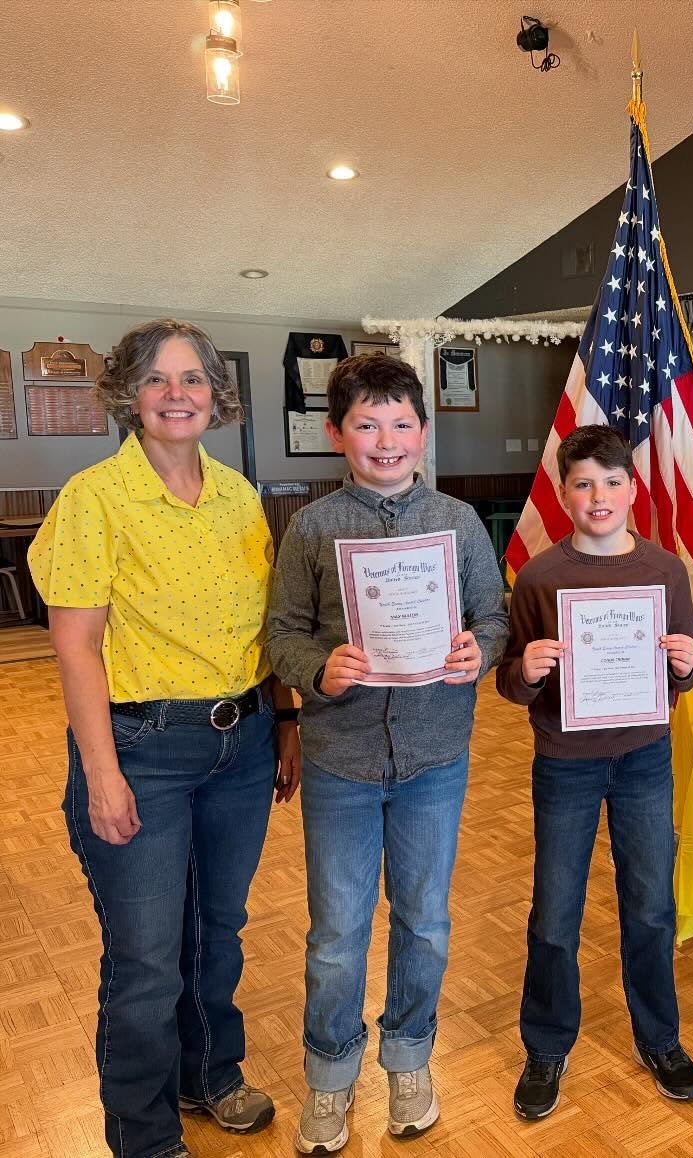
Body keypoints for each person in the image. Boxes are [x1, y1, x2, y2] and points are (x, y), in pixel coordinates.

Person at [30, 318, 300, 1158]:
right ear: (130, 396)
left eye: (192, 379)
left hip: (244, 742)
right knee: (146, 957)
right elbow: (75, 646)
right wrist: (101, 775)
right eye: (157, 379)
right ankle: (143, 1136)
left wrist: (284, 717)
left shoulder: (238, 497)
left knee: (217, 928)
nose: (176, 394)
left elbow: (267, 623)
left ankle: (210, 1075)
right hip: (143, 748)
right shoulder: (94, 498)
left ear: (215, 396)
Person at [266, 353, 509, 1153]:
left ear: (423, 432)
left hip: (436, 756)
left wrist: (483, 650)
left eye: (402, 424)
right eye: (367, 424)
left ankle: (409, 1061)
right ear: (337, 434)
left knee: (426, 921)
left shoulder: (460, 523)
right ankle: (330, 1079)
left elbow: (495, 617)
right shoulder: (310, 529)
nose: (386, 439)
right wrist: (316, 671)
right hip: (342, 758)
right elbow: (282, 637)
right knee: (336, 932)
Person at [496, 423, 693, 1121]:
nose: (599, 495)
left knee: (650, 907)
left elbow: (685, 671)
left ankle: (660, 1038)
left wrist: (686, 664)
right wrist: (523, 673)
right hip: (565, 764)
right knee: (555, 913)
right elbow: (511, 680)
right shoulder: (541, 576)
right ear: (563, 493)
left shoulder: (665, 569)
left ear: (633, 489)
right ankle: (547, 1043)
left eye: (612, 482)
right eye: (583, 483)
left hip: (645, 758)